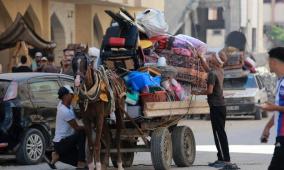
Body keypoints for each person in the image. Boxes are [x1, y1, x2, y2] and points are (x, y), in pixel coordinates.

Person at [206, 54, 239, 170]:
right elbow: (209, 70)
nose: (209, 58)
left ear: (215, 62)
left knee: (219, 134)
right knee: (219, 133)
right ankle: (221, 158)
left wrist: (198, 92)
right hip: (221, 106)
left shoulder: (212, 73)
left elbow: (209, 91)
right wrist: (200, 57)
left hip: (215, 106)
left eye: (212, 58)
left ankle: (226, 160)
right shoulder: (220, 71)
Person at [45, 85, 86, 169]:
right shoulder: (64, 111)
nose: (73, 96)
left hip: (66, 142)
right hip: (62, 143)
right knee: (81, 133)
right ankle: (79, 161)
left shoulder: (64, 104)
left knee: (84, 166)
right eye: (72, 95)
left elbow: (76, 105)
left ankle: (55, 155)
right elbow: (77, 127)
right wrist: (89, 127)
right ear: (65, 96)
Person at [260, 47, 284, 170]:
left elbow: (278, 108)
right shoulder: (280, 81)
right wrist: (268, 127)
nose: (268, 64)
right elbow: (279, 112)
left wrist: (273, 107)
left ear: (273, 62)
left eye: (268, 61)